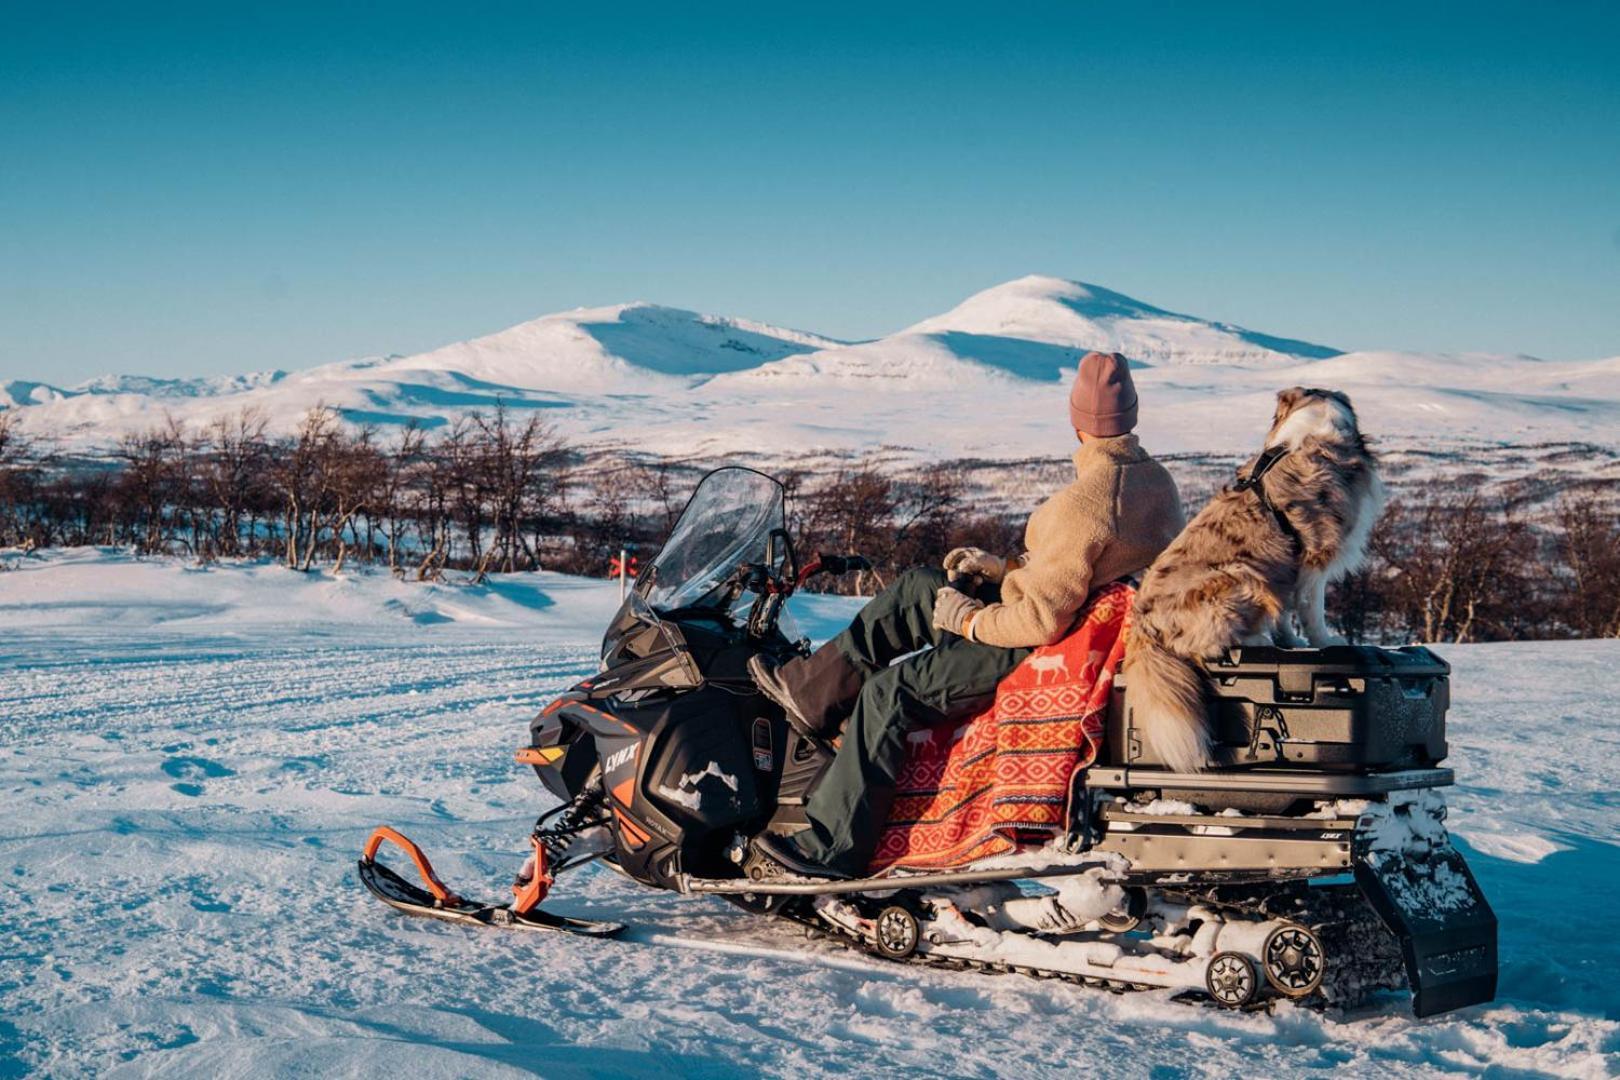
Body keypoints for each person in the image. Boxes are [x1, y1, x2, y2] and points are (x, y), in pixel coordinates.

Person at [749, 351, 1186, 878]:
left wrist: (968, 621)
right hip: (1069, 617)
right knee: (917, 588)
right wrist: (1002, 569)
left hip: (1037, 643)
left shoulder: (1087, 501)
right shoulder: (1156, 481)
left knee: (889, 692)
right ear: (1132, 416)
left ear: (1076, 421)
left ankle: (833, 849)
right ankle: (808, 693)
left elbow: (1041, 620)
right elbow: (1084, 566)